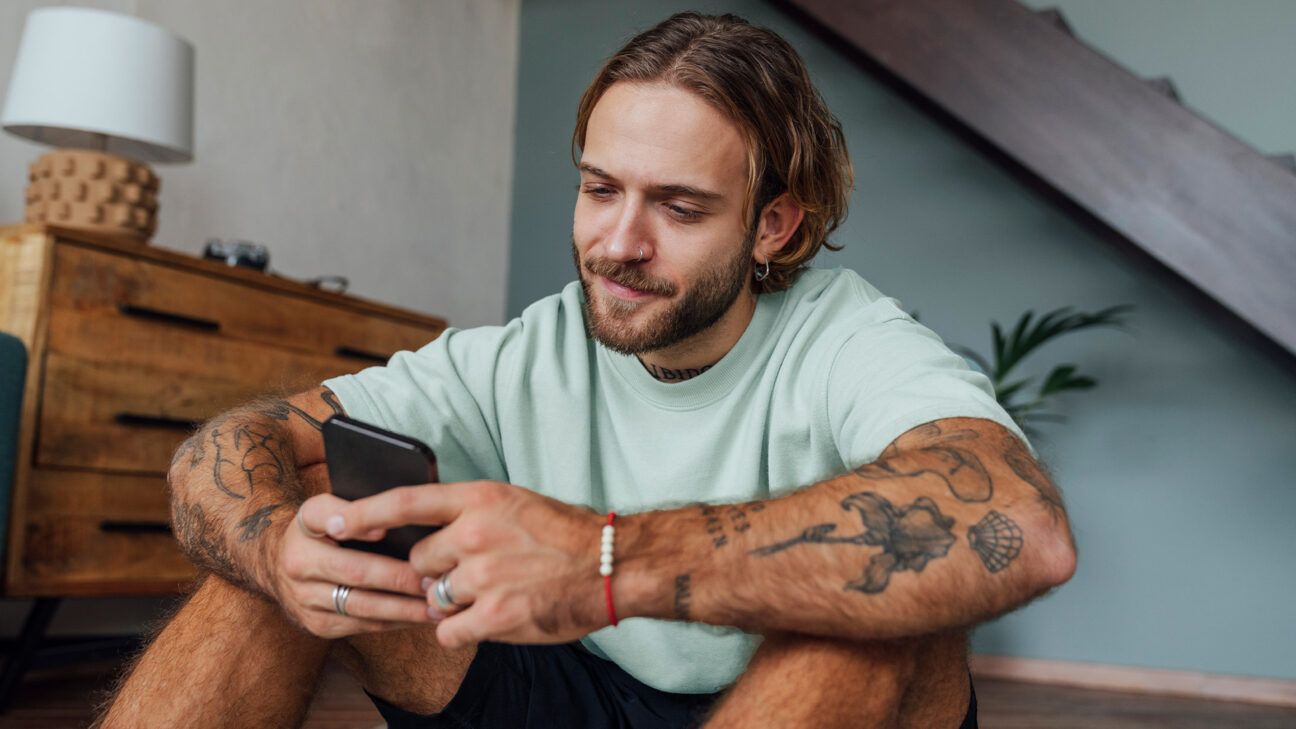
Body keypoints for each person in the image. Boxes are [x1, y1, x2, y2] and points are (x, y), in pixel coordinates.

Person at [96, 12, 1075, 729]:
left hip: (789, 701)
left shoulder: (849, 341)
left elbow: (1018, 529)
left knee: (867, 614)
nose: (618, 242)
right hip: (563, 692)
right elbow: (231, 445)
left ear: (772, 225)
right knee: (304, 520)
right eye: (601, 189)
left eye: (680, 208)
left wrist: (603, 560)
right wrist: (277, 551)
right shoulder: (533, 346)